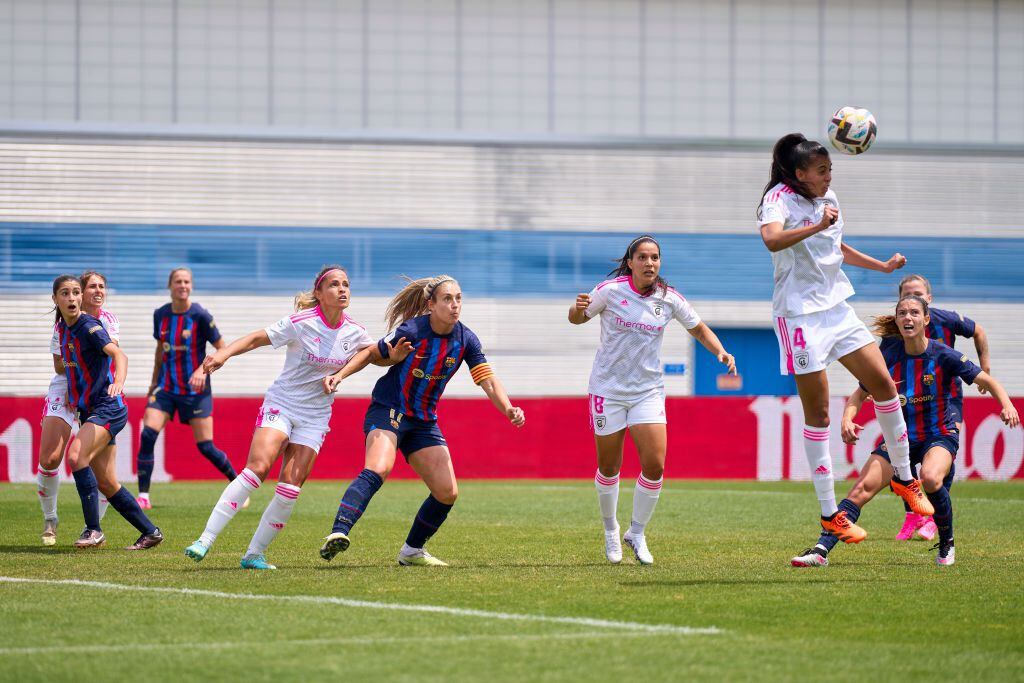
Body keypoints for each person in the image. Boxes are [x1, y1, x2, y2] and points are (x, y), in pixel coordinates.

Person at [757, 132, 931, 555]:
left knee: (885, 387)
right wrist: (816, 224)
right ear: (800, 175)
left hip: (837, 309)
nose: (829, 174)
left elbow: (834, 246)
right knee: (817, 413)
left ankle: (905, 478)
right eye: (821, 169)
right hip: (799, 317)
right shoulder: (777, 200)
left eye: (830, 167)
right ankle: (829, 512)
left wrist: (881, 265)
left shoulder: (829, 196)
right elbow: (772, 239)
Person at [184, 265, 388, 569]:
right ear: (319, 293)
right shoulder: (301, 322)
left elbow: (374, 354)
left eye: (346, 284)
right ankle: (205, 539)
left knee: (291, 486)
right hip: (283, 404)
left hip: (316, 415)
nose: (342, 289)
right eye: (334, 284)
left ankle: (254, 554)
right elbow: (256, 338)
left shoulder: (355, 331)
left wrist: (398, 353)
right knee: (257, 469)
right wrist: (222, 355)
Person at [791, 295, 1019, 567]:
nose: (907, 318)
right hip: (899, 440)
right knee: (861, 489)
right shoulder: (887, 356)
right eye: (902, 313)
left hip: (938, 434)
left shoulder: (943, 354)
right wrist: (847, 418)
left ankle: (946, 543)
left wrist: (1007, 405)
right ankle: (821, 550)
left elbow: (987, 380)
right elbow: (858, 395)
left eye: (913, 313)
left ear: (926, 319)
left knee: (931, 478)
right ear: (897, 321)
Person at [318, 274, 525, 567]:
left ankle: (412, 551)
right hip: (390, 409)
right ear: (431, 304)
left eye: (459, 299)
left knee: (447, 492)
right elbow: (370, 354)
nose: (455, 305)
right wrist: (340, 375)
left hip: (424, 422)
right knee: (378, 468)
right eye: (447, 299)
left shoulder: (466, 339)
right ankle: (339, 531)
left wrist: (508, 408)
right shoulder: (412, 330)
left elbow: (486, 379)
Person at [569, 235, 736, 565]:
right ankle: (610, 530)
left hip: (648, 391)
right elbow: (577, 319)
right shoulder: (610, 291)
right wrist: (577, 309)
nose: (650, 263)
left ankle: (637, 532)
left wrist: (721, 350)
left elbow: (699, 328)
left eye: (655, 257)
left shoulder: (669, 298)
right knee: (609, 466)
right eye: (643, 257)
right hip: (608, 390)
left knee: (655, 466)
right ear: (630, 263)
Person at [51, 274, 162, 550]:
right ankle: (150, 532)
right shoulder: (63, 329)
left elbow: (119, 355)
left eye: (76, 292)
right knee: (106, 481)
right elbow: (67, 367)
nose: (72, 298)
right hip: (89, 410)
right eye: (65, 293)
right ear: (56, 299)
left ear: (81, 298)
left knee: (76, 456)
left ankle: (93, 530)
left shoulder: (89, 326)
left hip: (108, 407)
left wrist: (119, 383)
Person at [884, 274, 991, 541]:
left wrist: (985, 369)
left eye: (919, 295)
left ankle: (933, 517)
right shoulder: (894, 332)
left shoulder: (945, 319)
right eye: (907, 296)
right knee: (903, 454)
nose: (913, 300)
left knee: (943, 447)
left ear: (928, 300)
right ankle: (912, 515)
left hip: (946, 396)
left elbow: (979, 330)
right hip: (910, 398)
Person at [136, 267, 237, 508]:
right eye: (178, 281)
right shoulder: (160, 314)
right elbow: (160, 351)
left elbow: (223, 349)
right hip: (166, 388)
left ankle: (236, 484)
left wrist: (202, 370)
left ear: (191, 286)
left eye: (187, 282)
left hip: (196, 391)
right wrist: (152, 384)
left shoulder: (200, 315)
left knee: (206, 447)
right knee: (148, 433)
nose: (183, 285)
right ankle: (144, 497)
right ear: (170, 286)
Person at [36, 271, 120, 545]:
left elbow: (108, 357)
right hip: (66, 386)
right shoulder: (64, 322)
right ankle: (50, 519)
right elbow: (59, 365)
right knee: (50, 459)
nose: (97, 291)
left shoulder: (108, 321)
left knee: (105, 475)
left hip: (96, 391)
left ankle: (92, 528)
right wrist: (76, 375)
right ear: (81, 292)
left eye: (101, 287)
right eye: (92, 287)